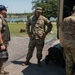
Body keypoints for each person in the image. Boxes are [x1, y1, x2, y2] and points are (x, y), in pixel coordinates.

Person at [59, 6, 75, 75]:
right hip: (74, 44)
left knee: (68, 62)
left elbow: (62, 29)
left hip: (66, 44)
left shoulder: (65, 19)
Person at [0, 5, 10, 74]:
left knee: (2, 57)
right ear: (2, 10)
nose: (6, 11)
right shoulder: (0, 19)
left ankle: (1, 71)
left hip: (4, 41)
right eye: (5, 10)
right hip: (1, 42)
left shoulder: (2, 19)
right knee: (1, 56)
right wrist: (1, 44)